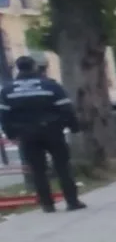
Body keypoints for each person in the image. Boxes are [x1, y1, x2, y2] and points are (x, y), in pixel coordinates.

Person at [0, 56, 85, 212]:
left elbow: (4, 115)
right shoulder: (50, 86)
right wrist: (74, 127)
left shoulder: (8, 90)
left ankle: (47, 204)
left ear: (18, 68)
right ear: (34, 67)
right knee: (63, 167)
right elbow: (66, 108)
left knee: (38, 170)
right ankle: (72, 202)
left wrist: (11, 133)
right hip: (52, 130)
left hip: (26, 133)